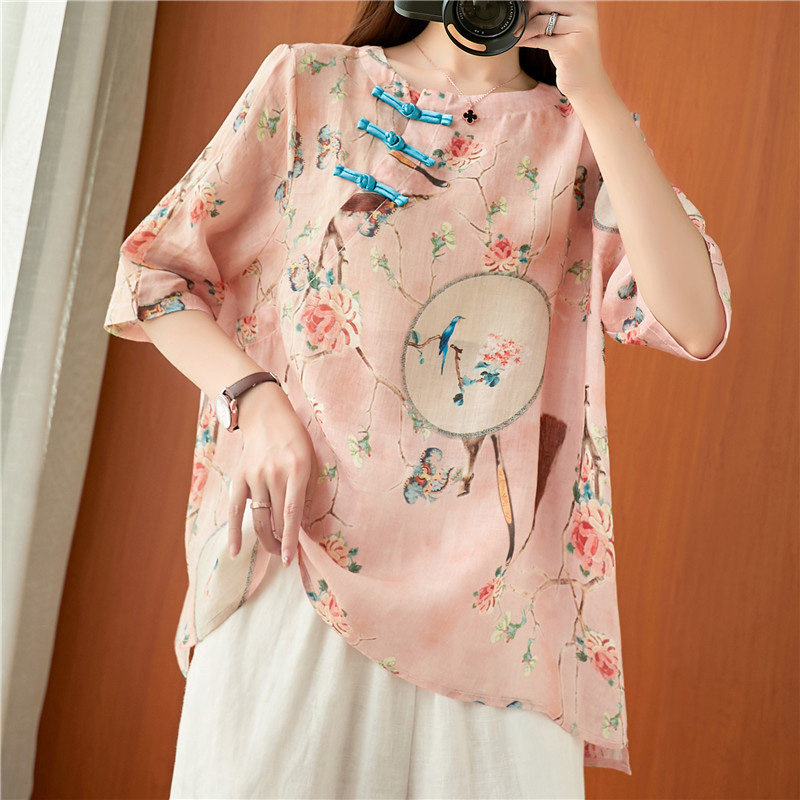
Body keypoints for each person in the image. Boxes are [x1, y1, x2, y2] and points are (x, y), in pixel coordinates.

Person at [102, 1, 732, 797]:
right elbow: (155, 273)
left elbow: (696, 322)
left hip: (502, 618)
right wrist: (254, 401)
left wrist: (596, 94)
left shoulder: (586, 137)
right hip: (296, 561)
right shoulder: (311, 83)